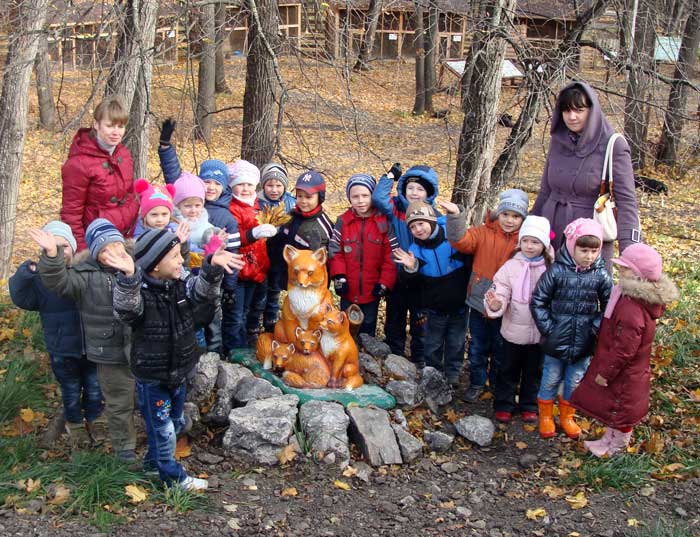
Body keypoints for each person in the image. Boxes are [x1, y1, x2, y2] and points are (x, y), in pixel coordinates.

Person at [108, 228, 244, 490]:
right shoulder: (141, 293)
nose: (181, 260)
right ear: (155, 266)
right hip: (153, 376)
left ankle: (152, 465)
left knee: (176, 422)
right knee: (163, 428)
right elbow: (126, 310)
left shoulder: (181, 282)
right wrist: (128, 278)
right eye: (174, 256)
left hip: (179, 370)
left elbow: (203, 293)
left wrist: (211, 268)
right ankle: (173, 478)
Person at [32, 219, 137, 461]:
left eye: (116, 247)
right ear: (95, 253)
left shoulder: (136, 263)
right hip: (108, 350)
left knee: (145, 397)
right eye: (104, 250)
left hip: (141, 346)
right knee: (118, 401)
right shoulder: (85, 276)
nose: (112, 254)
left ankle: (159, 439)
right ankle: (125, 449)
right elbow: (58, 283)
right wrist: (52, 255)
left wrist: (181, 245)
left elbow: (165, 261)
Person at [571, 243, 678, 456]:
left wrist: (605, 372)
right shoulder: (629, 297)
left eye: (625, 269)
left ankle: (617, 447)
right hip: (626, 370)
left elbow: (624, 348)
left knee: (621, 411)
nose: (620, 272)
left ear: (638, 274)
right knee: (614, 408)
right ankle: (608, 440)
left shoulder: (631, 308)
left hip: (624, 372)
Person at [10, 221, 103, 447]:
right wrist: (28, 271)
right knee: (70, 391)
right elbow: (20, 297)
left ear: (73, 249)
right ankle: (75, 423)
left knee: (94, 388)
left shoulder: (83, 274)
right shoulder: (41, 282)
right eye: (52, 248)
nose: (60, 253)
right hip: (62, 348)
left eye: (64, 247)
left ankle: (96, 420)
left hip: (90, 346)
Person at [531, 81, 641, 264]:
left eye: (579, 110)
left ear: (592, 111)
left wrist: (632, 254)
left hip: (588, 243)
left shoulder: (613, 146)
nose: (572, 117)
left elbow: (627, 202)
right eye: (566, 111)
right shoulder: (558, 142)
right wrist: (530, 228)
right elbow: (545, 191)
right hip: (552, 234)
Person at [530, 218, 612, 440]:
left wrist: (594, 329)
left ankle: (567, 416)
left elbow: (608, 307)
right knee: (550, 377)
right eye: (583, 249)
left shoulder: (601, 275)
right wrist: (549, 329)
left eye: (594, 251)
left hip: (584, 341)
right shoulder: (556, 272)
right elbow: (538, 300)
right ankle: (546, 416)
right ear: (571, 246)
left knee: (574, 381)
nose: (588, 256)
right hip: (555, 340)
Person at [445, 189, 528, 402]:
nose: (510, 220)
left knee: (501, 348)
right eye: (506, 214)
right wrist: (455, 217)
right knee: (478, 346)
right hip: (480, 302)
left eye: (516, 216)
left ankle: (497, 382)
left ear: (523, 218)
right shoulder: (483, 232)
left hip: (508, 306)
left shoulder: (525, 240)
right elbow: (460, 240)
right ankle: (476, 382)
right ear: (498, 214)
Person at [483, 216, 552, 423]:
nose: (529, 246)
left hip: (540, 333)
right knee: (508, 369)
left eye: (535, 242)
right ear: (520, 242)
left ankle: (529, 404)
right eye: (526, 241)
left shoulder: (551, 269)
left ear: (544, 244)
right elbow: (500, 290)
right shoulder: (510, 267)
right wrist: (496, 304)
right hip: (513, 331)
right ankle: (504, 404)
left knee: (533, 372)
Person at [393, 201, 470, 385]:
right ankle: (434, 374)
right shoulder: (415, 251)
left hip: (459, 305)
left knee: (456, 343)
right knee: (432, 344)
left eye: (421, 223)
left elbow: (467, 244)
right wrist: (411, 269)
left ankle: (453, 373)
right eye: (412, 227)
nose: (418, 229)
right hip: (434, 309)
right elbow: (413, 283)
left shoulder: (451, 238)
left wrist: (457, 214)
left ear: (432, 221)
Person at [372, 164, 440, 367]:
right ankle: (395, 353)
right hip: (398, 275)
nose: (414, 193)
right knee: (395, 316)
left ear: (428, 193)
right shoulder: (396, 208)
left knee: (421, 319)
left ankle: (420, 358)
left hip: (422, 276)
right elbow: (377, 198)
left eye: (420, 189)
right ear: (403, 189)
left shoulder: (432, 213)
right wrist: (390, 176)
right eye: (410, 188)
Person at [61, 95, 139, 251]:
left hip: (126, 238)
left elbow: (130, 196)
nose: (116, 132)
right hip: (96, 243)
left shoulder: (123, 154)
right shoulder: (78, 164)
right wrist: (83, 252)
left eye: (121, 126)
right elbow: (71, 213)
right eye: (110, 126)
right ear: (96, 124)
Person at [329, 173, 397, 336]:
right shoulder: (343, 221)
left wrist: (384, 283)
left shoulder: (383, 223)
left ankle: (366, 356)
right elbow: (335, 250)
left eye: (365, 195)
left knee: (367, 328)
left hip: (372, 290)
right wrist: (339, 276)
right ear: (349, 198)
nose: (360, 201)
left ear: (372, 195)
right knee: (345, 327)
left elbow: (391, 255)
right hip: (348, 288)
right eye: (355, 196)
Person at [227, 160, 277, 348]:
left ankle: (247, 344)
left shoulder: (260, 205)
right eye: (240, 184)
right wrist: (253, 234)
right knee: (235, 315)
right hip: (239, 271)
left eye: (249, 184)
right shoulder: (231, 208)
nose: (245, 188)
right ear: (233, 186)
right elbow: (233, 237)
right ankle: (234, 349)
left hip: (258, 269)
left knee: (250, 310)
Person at [268, 170, 334, 289]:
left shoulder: (321, 225)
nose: (303, 201)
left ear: (320, 197)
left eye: (308, 197)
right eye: (300, 196)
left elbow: (324, 262)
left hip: (308, 284)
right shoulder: (291, 215)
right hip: (289, 276)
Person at [258, 163, 296, 332]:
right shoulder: (257, 201)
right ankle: (252, 326)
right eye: (270, 185)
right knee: (258, 294)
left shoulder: (291, 203)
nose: (274, 189)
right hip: (259, 255)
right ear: (263, 185)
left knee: (274, 292)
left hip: (279, 257)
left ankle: (271, 325)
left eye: (278, 185)